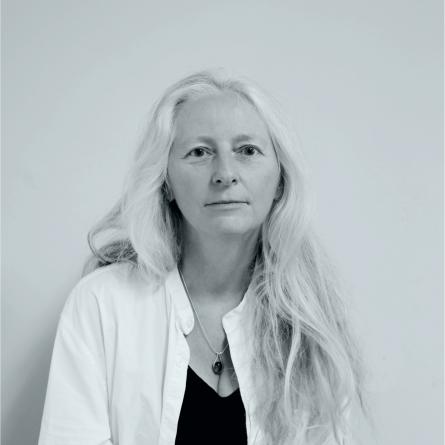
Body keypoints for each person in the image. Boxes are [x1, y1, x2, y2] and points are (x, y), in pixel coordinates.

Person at [38, 69, 366, 445]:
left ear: (280, 180)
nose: (225, 174)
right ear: (165, 183)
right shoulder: (102, 303)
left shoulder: (314, 320)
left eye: (247, 151)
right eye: (199, 152)